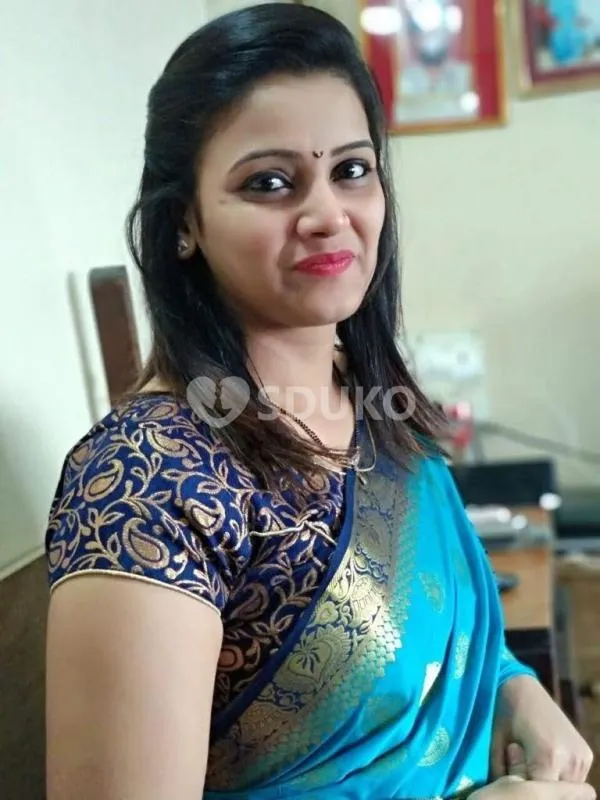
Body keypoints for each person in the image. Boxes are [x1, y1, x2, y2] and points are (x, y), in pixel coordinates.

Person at [44, 3, 595, 799]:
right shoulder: (147, 481)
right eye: (269, 182)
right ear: (184, 222)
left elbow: (444, 644)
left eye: (351, 170)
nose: (328, 215)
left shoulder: (373, 402)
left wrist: (516, 687)